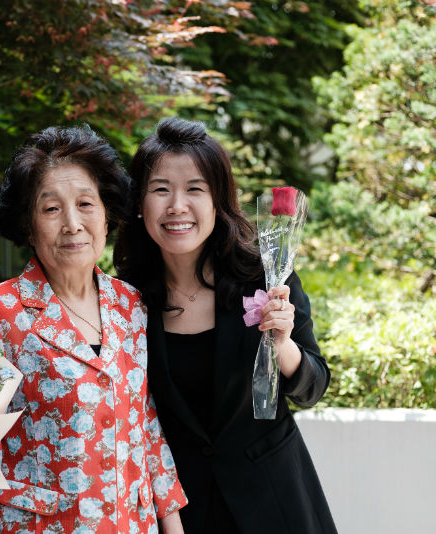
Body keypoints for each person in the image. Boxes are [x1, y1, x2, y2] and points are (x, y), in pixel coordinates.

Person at [113, 117, 336, 533]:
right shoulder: (125, 299)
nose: (177, 206)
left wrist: (283, 344)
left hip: (274, 503)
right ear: (139, 203)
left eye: (195, 189)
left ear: (218, 200)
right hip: (180, 511)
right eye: (160, 189)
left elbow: (313, 387)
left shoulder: (266, 277)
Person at [0, 125, 187, 534]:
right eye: (51, 209)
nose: (72, 224)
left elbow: (144, 420)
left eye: (85, 204)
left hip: (132, 523)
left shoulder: (131, 304)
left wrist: (171, 521)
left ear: (107, 215)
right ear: (28, 226)